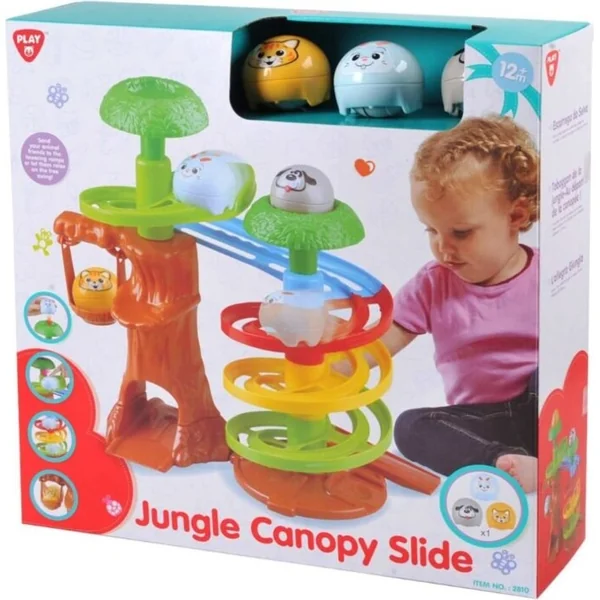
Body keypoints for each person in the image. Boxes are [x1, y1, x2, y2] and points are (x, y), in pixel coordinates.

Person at [375, 115, 539, 492]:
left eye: (461, 233)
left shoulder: (546, 274)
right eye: (431, 230)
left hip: (543, 405)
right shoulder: (433, 284)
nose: (443, 247)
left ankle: (552, 451)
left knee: (551, 372)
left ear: (516, 216)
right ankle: (503, 462)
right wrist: (333, 359)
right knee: (410, 426)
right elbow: (384, 341)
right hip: (479, 421)